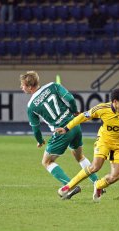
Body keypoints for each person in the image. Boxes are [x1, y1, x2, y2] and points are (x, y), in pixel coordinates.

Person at [56, 88, 119, 202]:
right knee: (95, 166)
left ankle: (98, 185)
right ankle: (67, 187)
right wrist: (66, 128)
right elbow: (82, 116)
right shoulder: (102, 109)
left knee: (115, 177)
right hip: (104, 141)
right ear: (115, 102)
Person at [20, 71, 98, 199]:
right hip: (74, 125)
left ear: (29, 87)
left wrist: (40, 140)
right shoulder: (53, 86)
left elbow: (36, 128)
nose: (21, 87)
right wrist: (74, 112)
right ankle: (97, 183)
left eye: (22, 85)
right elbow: (71, 99)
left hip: (61, 131)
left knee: (46, 161)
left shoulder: (31, 106)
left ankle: (69, 186)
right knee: (80, 156)